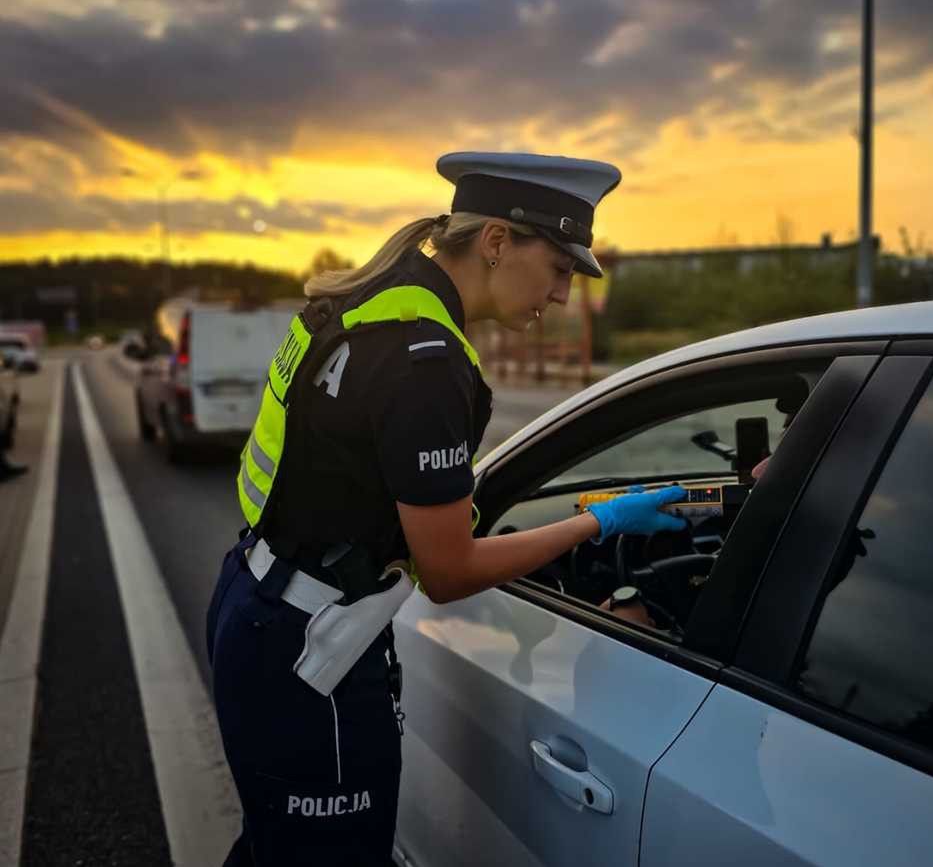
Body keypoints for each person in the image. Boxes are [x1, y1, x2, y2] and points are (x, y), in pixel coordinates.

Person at [206, 152, 686, 866]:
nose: (561, 294)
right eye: (558, 267)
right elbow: (448, 570)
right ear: (496, 241)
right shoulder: (423, 362)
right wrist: (600, 520)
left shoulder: (376, 303)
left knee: (276, 849)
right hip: (313, 653)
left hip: (258, 603)